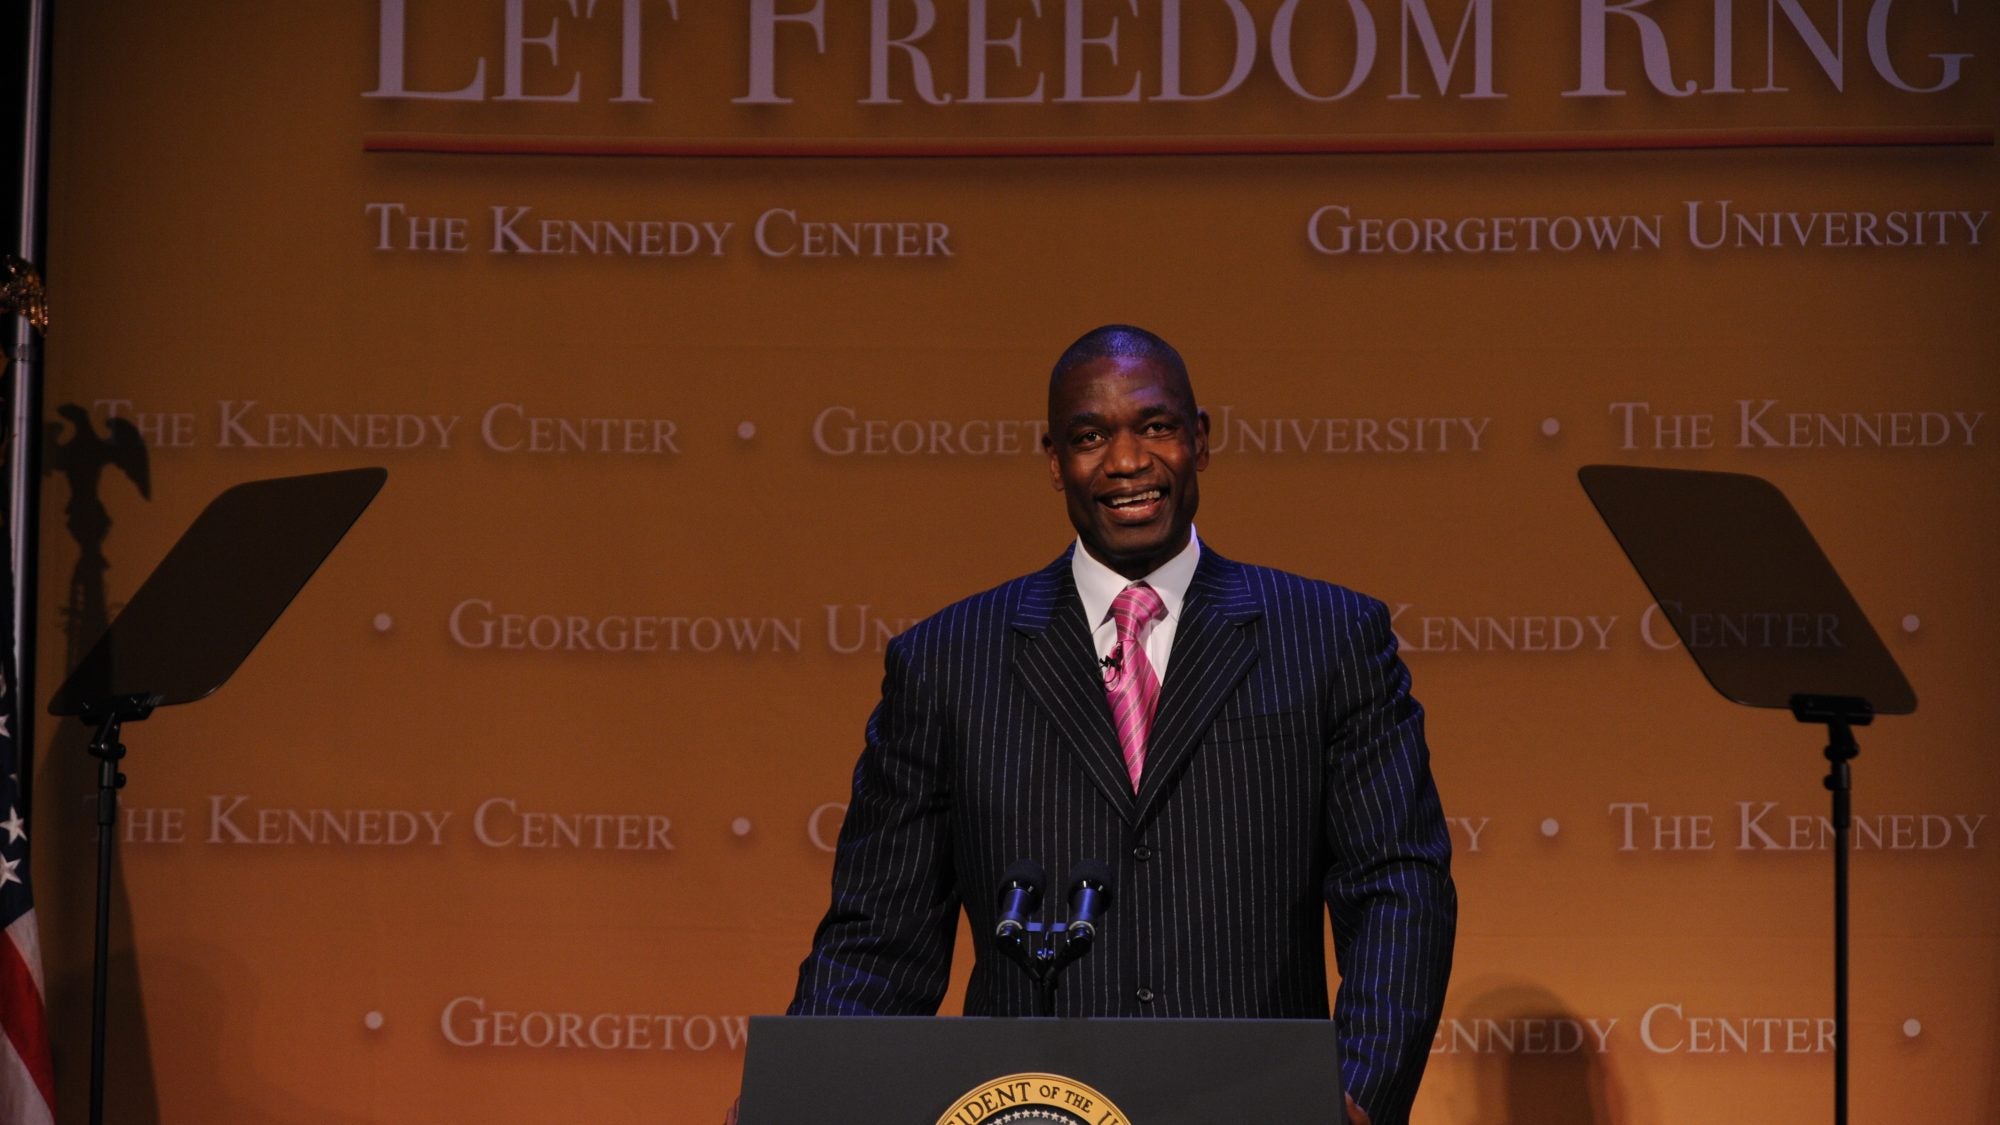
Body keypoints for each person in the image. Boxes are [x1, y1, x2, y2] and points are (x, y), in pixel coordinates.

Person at [785, 325, 1456, 1124]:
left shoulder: (1327, 637)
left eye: (1156, 426)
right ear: (1053, 460)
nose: (1127, 461)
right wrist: (799, 1096)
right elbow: (878, 937)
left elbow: (1397, 887)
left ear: (1200, 440)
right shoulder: (947, 663)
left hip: (1255, 1108)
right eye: (1090, 436)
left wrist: (1355, 1091)